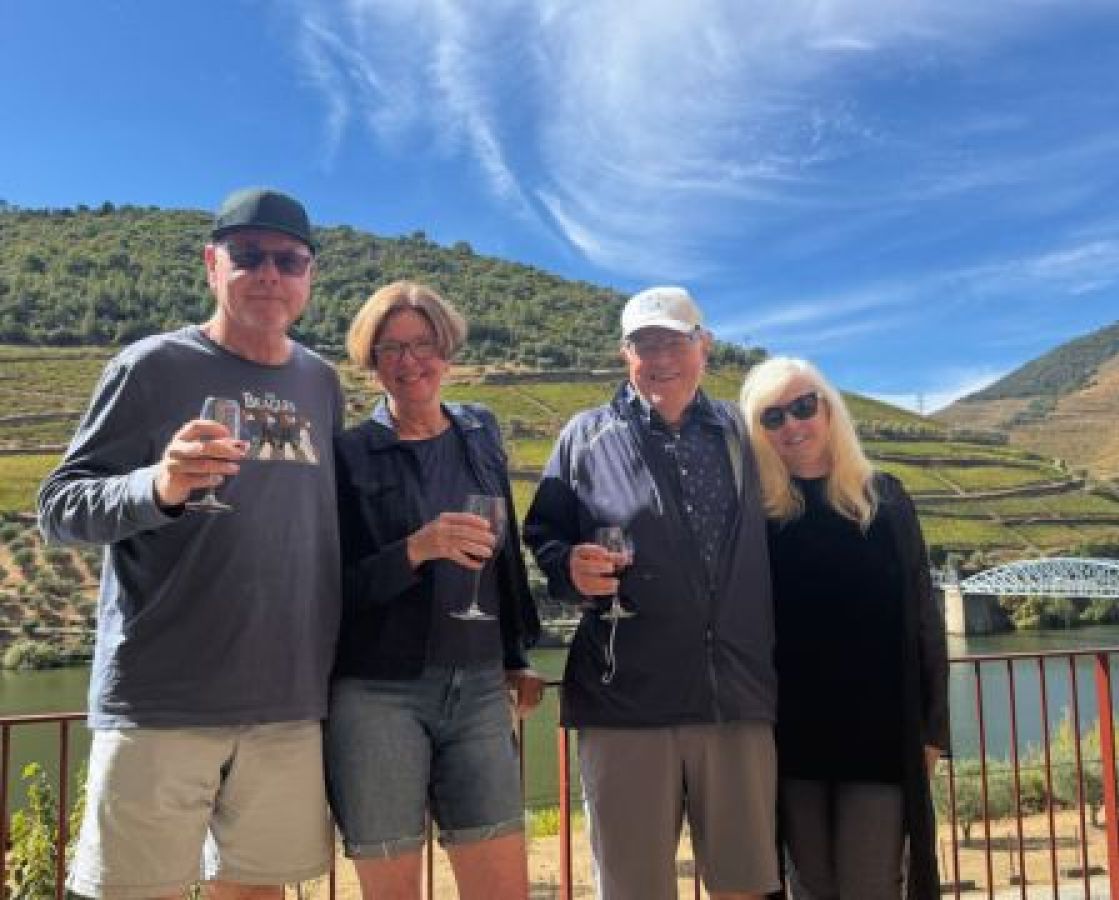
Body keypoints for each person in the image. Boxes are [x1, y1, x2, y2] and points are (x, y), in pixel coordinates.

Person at [37, 187, 343, 898]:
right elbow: (58, 508)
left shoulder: (321, 382)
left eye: (289, 260)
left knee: (258, 889)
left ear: (309, 277)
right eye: (249, 255)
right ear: (212, 264)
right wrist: (159, 485)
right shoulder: (152, 367)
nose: (270, 273)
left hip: (288, 699)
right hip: (162, 696)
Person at [524, 286, 779, 899]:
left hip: (735, 698)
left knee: (745, 885)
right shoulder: (584, 436)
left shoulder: (744, 435)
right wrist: (568, 570)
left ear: (704, 347)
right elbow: (544, 534)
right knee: (635, 889)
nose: (660, 356)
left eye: (674, 341)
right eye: (645, 344)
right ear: (625, 355)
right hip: (626, 703)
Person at [326, 280, 542, 900]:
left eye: (422, 344)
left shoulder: (481, 433)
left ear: (446, 351)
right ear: (371, 362)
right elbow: (334, 589)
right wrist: (416, 550)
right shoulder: (350, 455)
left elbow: (504, 555)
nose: (409, 360)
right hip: (377, 693)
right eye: (390, 348)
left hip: (477, 690)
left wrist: (514, 654)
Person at [739, 357, 949, 900]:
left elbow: (925, 620)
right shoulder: (759, 518)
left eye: (804, 406)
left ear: (830, 409)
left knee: (871, 885)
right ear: (758, 431)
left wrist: (933, 731)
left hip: (878, 737)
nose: (793, 424)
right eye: (773, 416)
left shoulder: (887, 500)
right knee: (810, 887)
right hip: (791, 738)